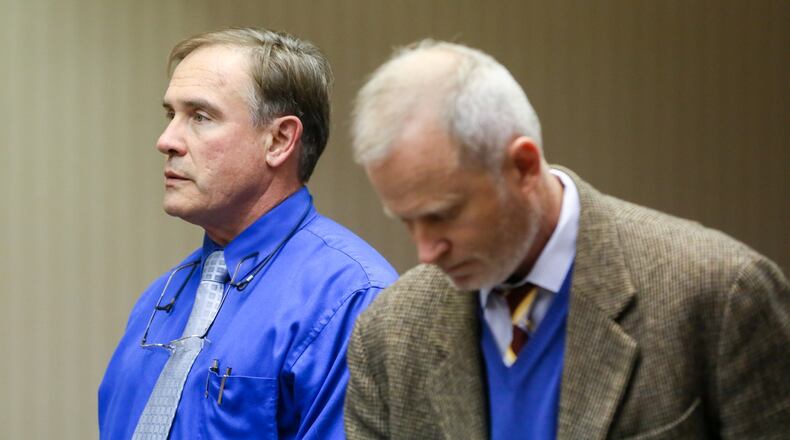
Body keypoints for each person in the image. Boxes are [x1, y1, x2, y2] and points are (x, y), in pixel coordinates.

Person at [344, 40, 789, 440]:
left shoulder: (718, 296)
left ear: (522, 166)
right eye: (406, 221)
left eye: (443, 215)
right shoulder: (388, 335)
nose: (426, 251)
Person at [98, 27, 397, 439]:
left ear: (279, 139)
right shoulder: (159, 300)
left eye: (200, 117)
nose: (166, 140)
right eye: (172, 115)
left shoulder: (353, 300)